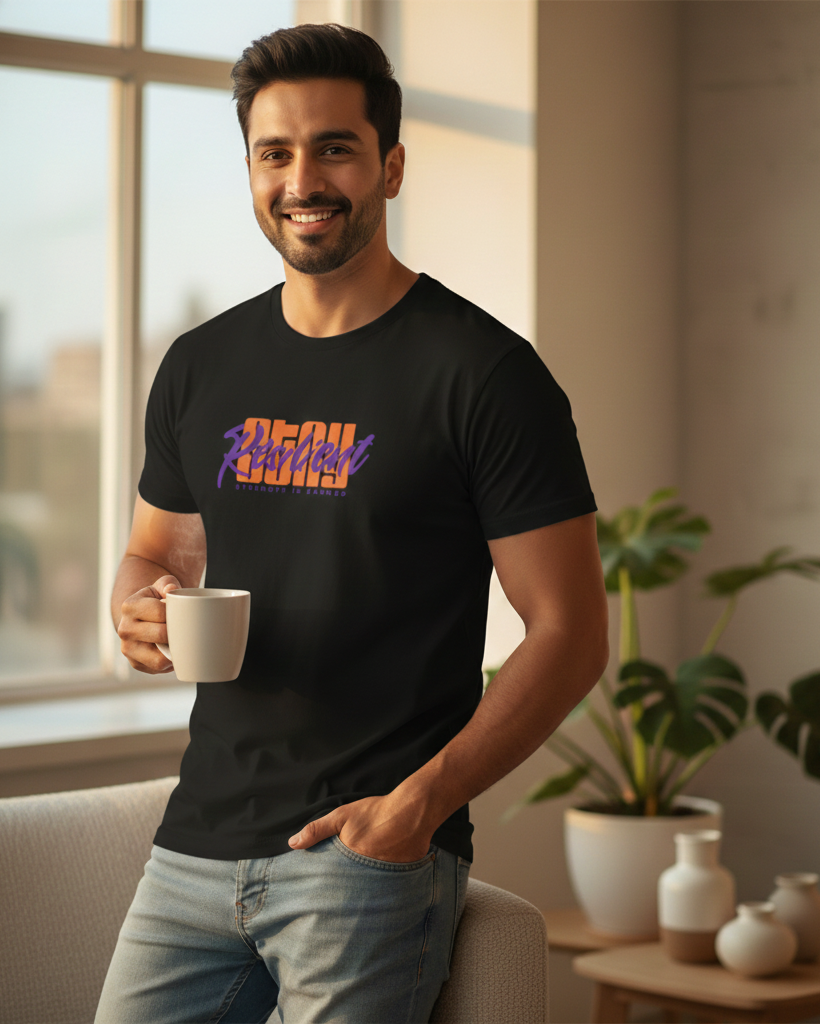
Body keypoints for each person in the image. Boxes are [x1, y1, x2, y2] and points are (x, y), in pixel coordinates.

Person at [97, 22, 608, 1024]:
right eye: (274, 153)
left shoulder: (485, 376)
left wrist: (420, 805)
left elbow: (571, 632)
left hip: (361, 855)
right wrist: (136, 609)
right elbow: (156, 550)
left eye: (334, 147)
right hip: (195, 843)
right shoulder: (200, 365)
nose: (302, 180)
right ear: (250, 168)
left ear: (392, 165)